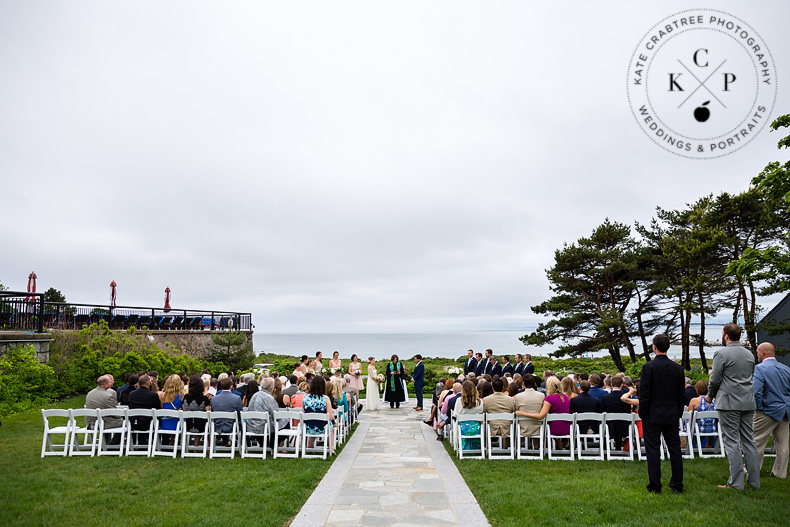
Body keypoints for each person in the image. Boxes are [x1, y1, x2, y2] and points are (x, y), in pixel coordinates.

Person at [707, 323, 761, 490]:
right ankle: (754, 481)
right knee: (749, 441)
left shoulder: (721, 354)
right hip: (747, 401)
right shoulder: (749, 354)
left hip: (729, 402)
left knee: (731, 441)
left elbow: (715, 378)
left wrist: (709, 395)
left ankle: (736, 483)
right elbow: (750, 375)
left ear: (726, 336)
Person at [639, 334, 685, 493]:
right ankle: (677, 484)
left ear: (654, 347)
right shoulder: (678, 368)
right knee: (675, 449)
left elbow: (644, 393)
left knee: (653, 450)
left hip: (652, 414)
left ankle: (655, 485)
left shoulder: (648, 367)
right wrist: (678, 412)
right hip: (671, 413)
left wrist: (642, 413)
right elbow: (681, 394)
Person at [752, 342, 790, 479]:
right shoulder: (786, 368)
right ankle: (780, 473)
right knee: (783, 444)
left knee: (757, 441)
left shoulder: (760, 369)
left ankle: (753, 470)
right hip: (785, 410)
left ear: (762, 352)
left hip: (767, 410)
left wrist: (758, 408)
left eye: (757, 352)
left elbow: (756, 391)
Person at [517, 376, 570, 449]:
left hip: (553, 429)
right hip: (567, 428)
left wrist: (522, 413)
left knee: (542, 423)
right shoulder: (565, 397)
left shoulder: (549, 398)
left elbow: (540, 416)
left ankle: (548, 447)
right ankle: (559, 448)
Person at [247, 377, 288, 447]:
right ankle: (274, 445)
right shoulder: (269, 398)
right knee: (286, 422)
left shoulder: (254, 395)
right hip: (264, 427)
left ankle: (267, 444)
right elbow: (276, 415)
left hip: (251, 426)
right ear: (272, 388)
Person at [85, 375, 122, 444]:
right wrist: (122, 417)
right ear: (105, 384)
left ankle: (105, 443)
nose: (111, 383)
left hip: (90, 422)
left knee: (108, 419)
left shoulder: (90, 393)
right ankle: (112, 444)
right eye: (109, 382)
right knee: (126, 423)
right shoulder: (108, 396)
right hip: (101, 423)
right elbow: (114, 413)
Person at [303, 376, 335, 454]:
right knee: (331, 425)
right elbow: (330, 417)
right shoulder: (325, 398)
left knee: (313, 422)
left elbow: (304, 412)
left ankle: (309, 446)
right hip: (322, 427)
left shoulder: (305, 397)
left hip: (308, 427)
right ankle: (331, 447)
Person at [601, 375, 632, 450]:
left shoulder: (605, 397)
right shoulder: (626, 397)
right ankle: (618, 445)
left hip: (610, 424)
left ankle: (605, 447)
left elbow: (602, 410)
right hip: (624, 424)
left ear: (611, 384)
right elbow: (628, 410)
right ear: (622, 385)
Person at [482, 378, 516, 447]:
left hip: (492, 428)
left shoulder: (486, 400)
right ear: (503, 388)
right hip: (507, 427)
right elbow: (513, 411)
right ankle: (507, 446)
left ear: (493, 388)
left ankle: (486, 446)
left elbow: (484, 412)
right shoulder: (510, 400)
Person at [210, 377, 242, 446]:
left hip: (217, 425)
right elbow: (240, 414)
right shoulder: (236, 398)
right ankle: (246, 443)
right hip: (232, 426)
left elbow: (212, 412)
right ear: (231, 386)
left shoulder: (213, 399)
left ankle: (226, 441)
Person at [514, 375, 545, 444]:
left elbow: (516, 410)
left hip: (523, 426)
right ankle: (536, 447)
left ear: (523, 384)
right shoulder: (541, 395)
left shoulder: (518, 396)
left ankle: (520, 444)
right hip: (537, 425)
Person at [687, 380, 717, 448]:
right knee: (710, 421)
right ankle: (708, 444)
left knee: (689, 423)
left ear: (697, 390)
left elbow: (689, 416)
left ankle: (693, 446)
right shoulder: (714, 400)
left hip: (698, 428)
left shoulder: (694, 400)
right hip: (712, 428)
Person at [455, 380, 484, 450]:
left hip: (463, 429)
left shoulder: (459, 401)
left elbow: (456, 414)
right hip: (476, 429)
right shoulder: (480, 402)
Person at [183, 376, 211, 444]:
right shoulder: (204, 399)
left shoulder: (185, 397)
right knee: (208, 423)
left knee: (197, 421)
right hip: (202, 427)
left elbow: (184, 410)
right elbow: (208, 412)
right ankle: (209, 446)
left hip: (188, 426)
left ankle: (196, 446)